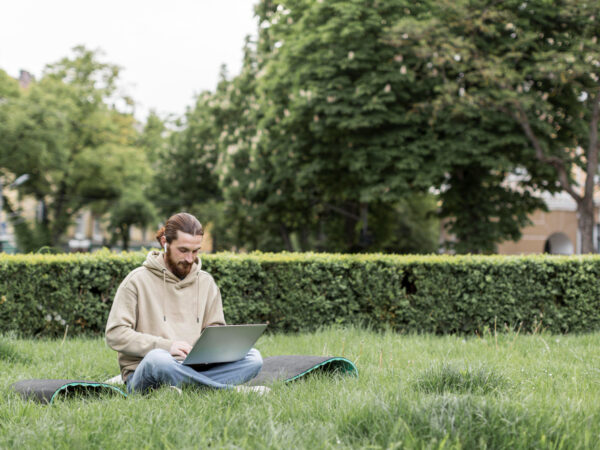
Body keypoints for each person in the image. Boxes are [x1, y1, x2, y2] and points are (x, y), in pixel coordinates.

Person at [105, 212, 265, 393]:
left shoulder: (206, 283)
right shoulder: (136, 281)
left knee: (254, 358)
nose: (190, 259)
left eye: (195, 251)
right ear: (165, 243)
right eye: (183, 250)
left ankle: (182, 387)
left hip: (196, 366)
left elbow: (214, 331)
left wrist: (215, 349)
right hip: (147, 370)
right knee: (158, 359)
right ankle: (227, 390)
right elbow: (115, 334)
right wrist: (167, 346)